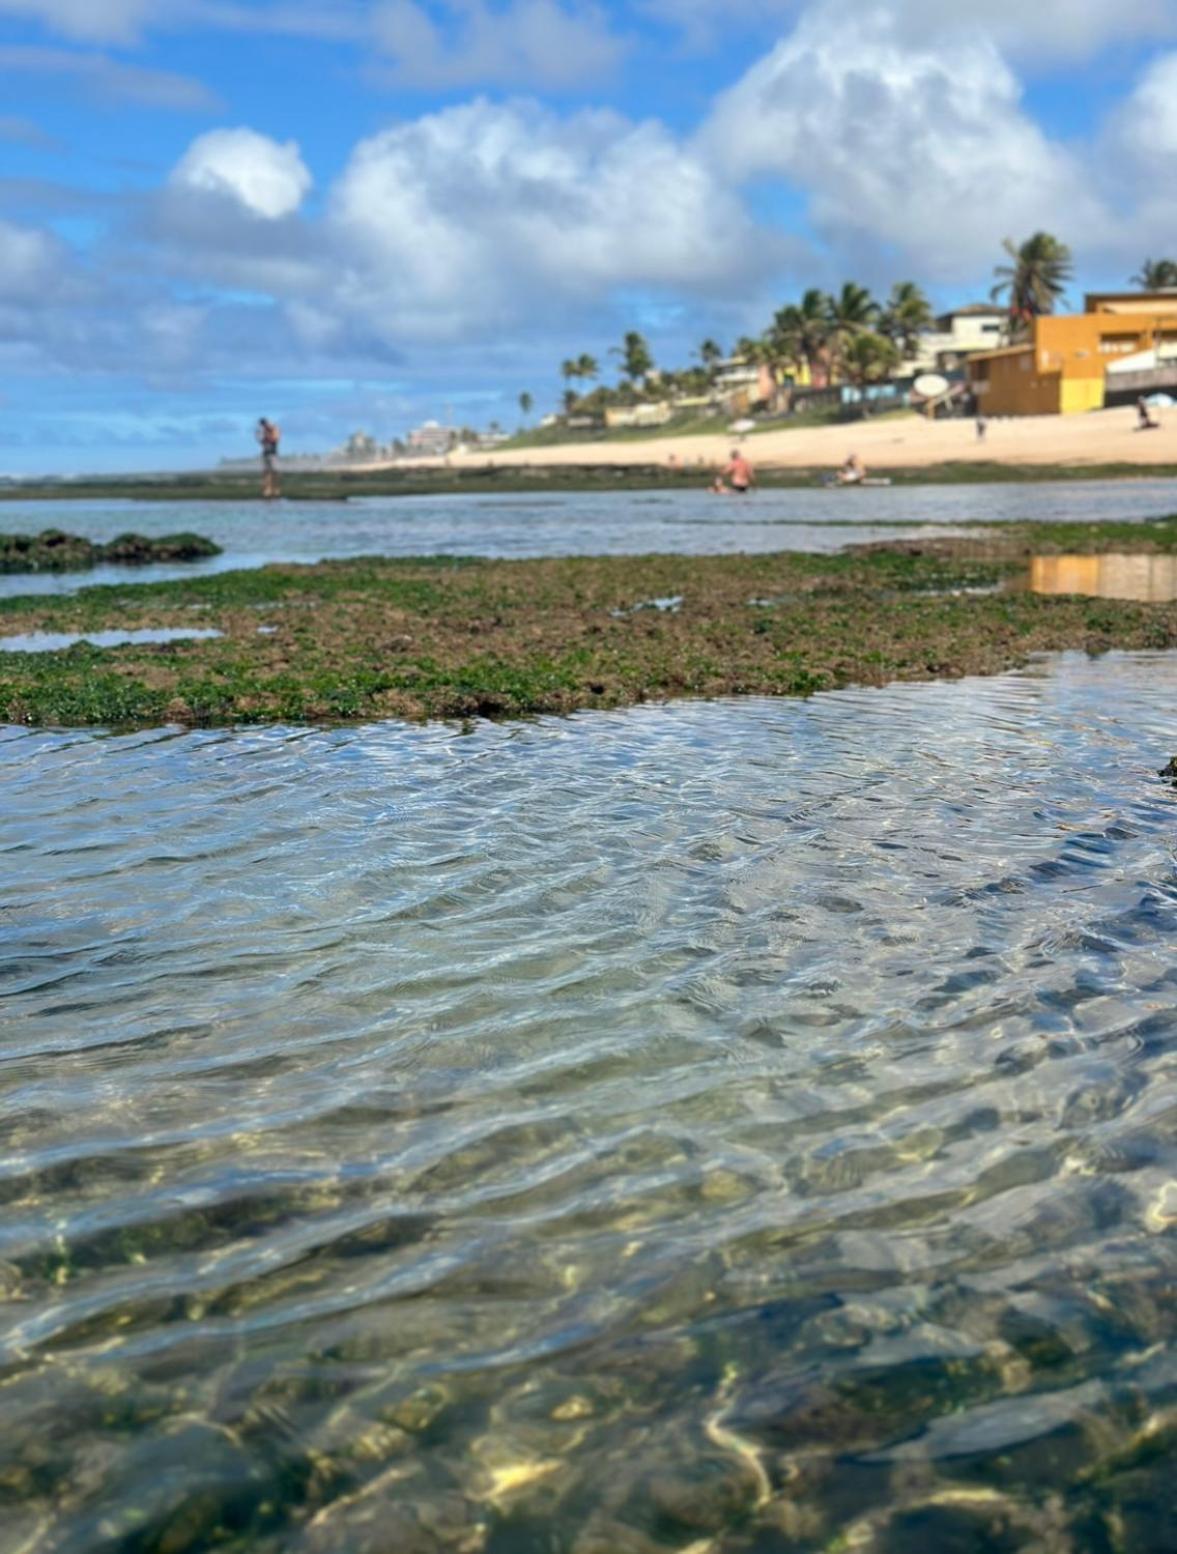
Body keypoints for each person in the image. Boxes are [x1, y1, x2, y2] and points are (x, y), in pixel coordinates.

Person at [256, 417, 281, 499]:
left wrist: (267, 435)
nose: (264, 426)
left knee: (274, 472)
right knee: (266, 472)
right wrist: (261, 436)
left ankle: (276, 490)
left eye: (264, 424)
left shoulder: (274, 429)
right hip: (265, 453)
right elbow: (261, 441)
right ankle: (267, 490)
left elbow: (275, 439)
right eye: (262, 425)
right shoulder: (263, 431)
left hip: (273, 453)